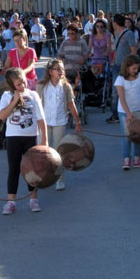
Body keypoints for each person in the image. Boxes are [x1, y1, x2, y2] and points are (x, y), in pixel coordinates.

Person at [0, 67, 47, 214]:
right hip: (13, 137)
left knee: (31, 169)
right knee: (14, 169)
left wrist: (45, 140)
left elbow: (40, 118)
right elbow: (1, 116)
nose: (23, 86)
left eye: (24, 82)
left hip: (30, 137)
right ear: (12, 85)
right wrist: (14, 101)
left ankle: (33, 199)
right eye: (19, 84)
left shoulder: (33, 95)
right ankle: (11, 202)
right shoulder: (6, 96)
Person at [36, 59, 81, 191]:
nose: (61, 72)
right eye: (58, 69)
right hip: (44, 122)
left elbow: (71, 105)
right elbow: (37, 105)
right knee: (43, 150)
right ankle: (42, 176)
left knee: (58, 151)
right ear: (50, 72)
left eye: (62, 69)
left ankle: (60, 178)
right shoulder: (42, 85)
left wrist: (77, 122)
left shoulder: (66, 87)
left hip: (60, 122)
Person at [107, 14, 137, 124]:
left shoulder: (129, 34)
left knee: (127, 91)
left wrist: (133, 67)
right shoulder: (117, 34)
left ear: (115, 23)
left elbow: (133, 51)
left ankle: (125, 113)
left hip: (126, 67)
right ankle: (116, 114)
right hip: (116, 66)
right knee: (115, 92)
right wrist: (113, 61)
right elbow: (115, 49)